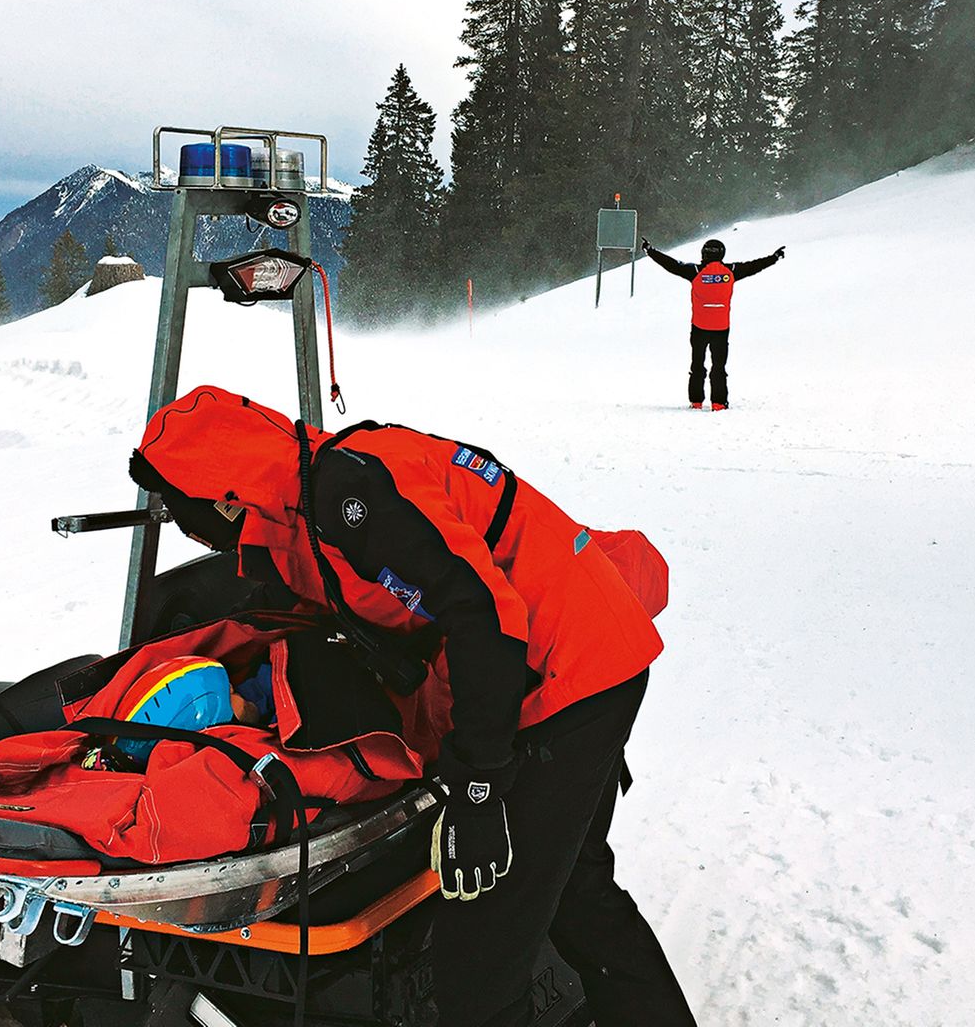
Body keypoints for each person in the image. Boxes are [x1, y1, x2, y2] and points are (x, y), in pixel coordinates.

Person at [130, 387, 696, 1027]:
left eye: (182, 509)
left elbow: (485, 618)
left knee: (480, 966)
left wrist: (477, 788)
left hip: (562, 676)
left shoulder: (351, 497)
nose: (186, 526)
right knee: (576, 896)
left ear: (224, 493)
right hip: (593, 649)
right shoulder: (314, 485)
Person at [641, 236, 785, 410]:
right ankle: (718, 403)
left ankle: (696, 401)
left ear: (704, 253)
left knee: (697, 365)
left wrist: (650, 251)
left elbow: (672, 265)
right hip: (721, 328)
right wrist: (774, 258)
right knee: (719, 366)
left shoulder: (694, 270)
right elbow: (754, 266)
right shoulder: (731, 271)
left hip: (699, 327)